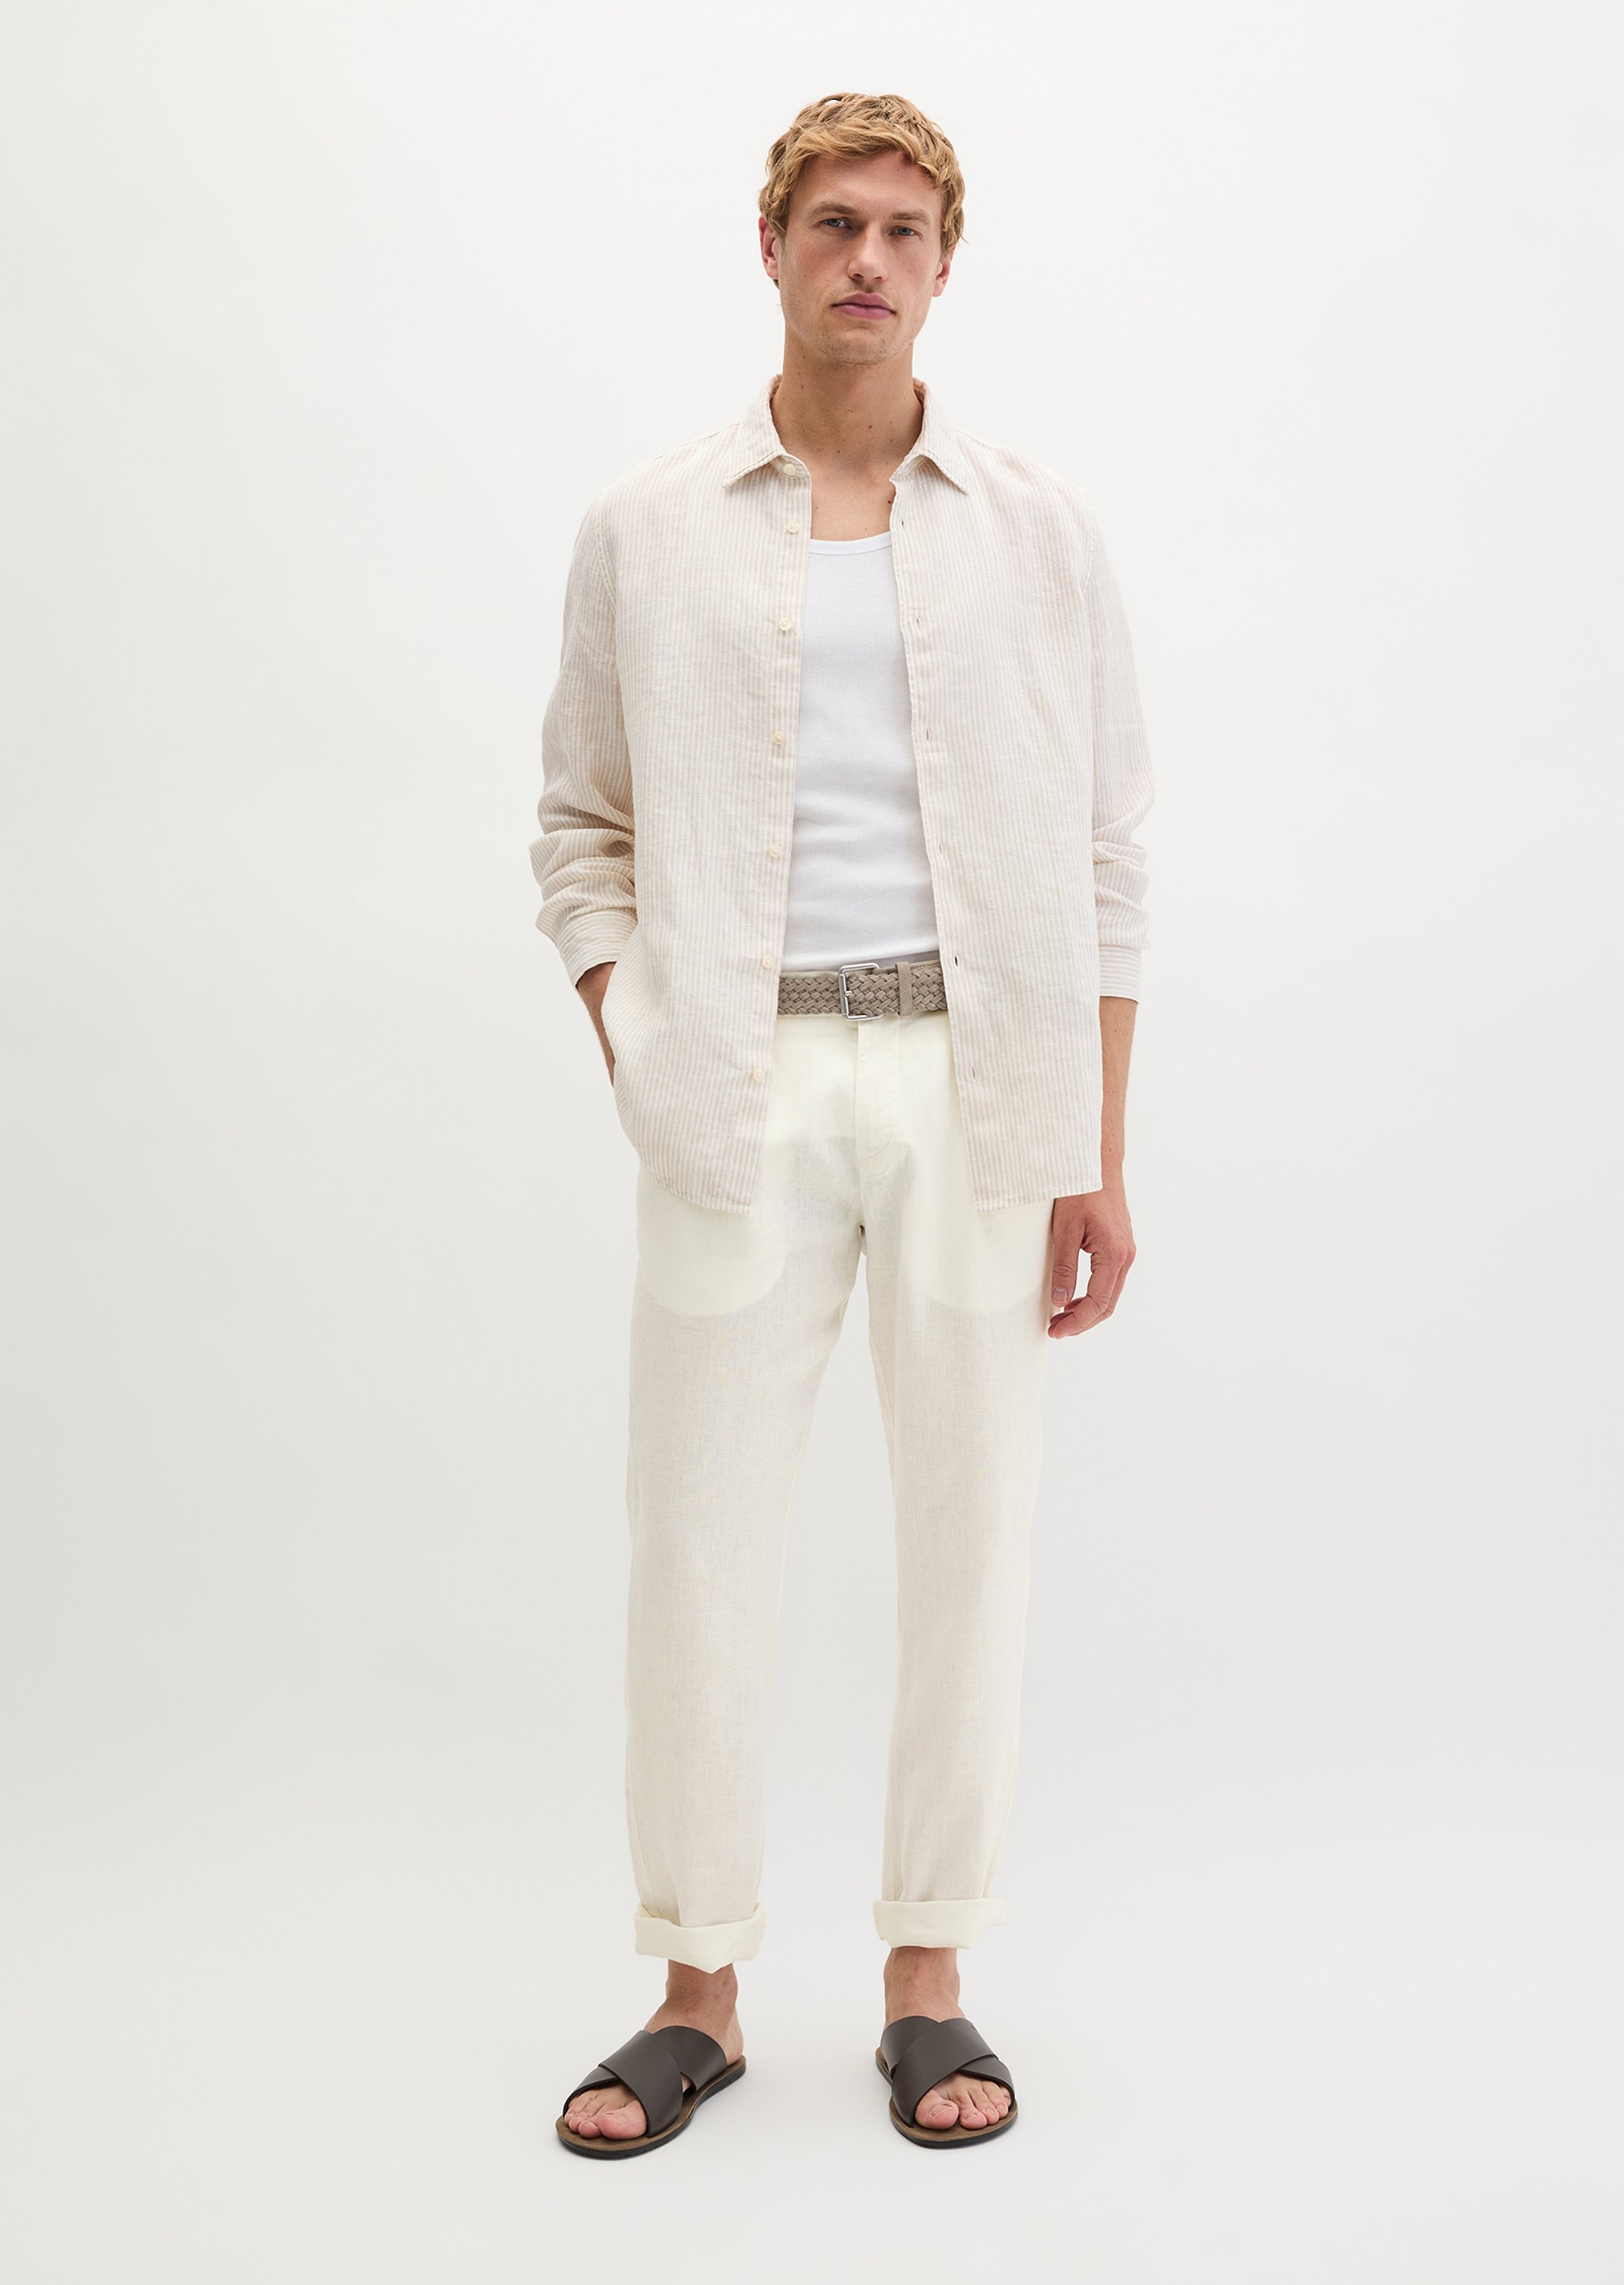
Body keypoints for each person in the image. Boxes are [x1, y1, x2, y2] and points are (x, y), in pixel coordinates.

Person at [533, 89, 1154, 2156]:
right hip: (735, 1083)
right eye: (831, 224)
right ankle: (695, 1991)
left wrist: (1096, 1150)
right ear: (774, 248)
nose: (865, 259)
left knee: (971, 1539)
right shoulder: (647, 528)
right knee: (696, 1545)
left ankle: (927, 1981)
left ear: (945, 266)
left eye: (900, 229)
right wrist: (636, 1028)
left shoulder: (1040, 530)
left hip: (981, 1086)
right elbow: (580, 824)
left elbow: (1107, 854)